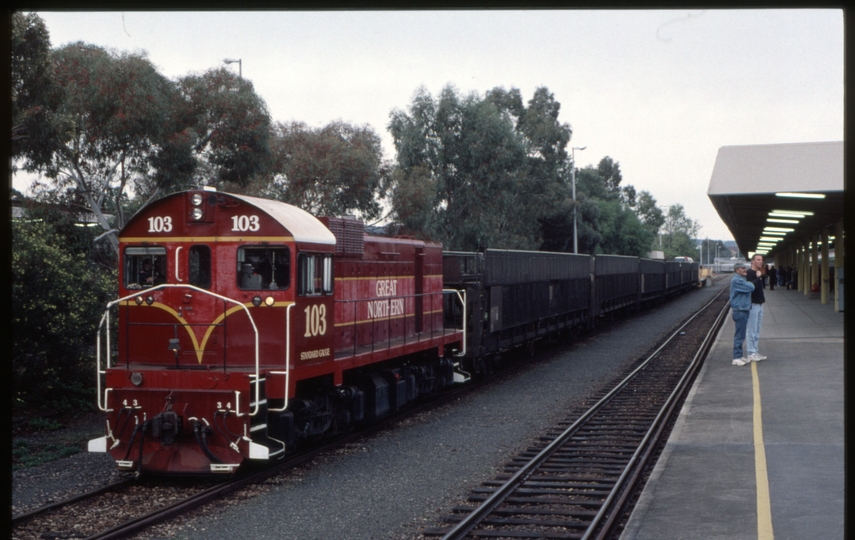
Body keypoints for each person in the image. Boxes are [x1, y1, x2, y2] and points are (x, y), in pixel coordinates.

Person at [730, 261, 756, 366]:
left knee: (741, 334)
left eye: (745, 268)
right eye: (742, 268)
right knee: (739, 335)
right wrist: (750, 283)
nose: (745, 270)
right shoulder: (737, 280)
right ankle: (736, 357)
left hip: (743, 309)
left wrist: (748, 283)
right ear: (737, 270)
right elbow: (751, 287)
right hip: (740, 310)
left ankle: (739, 356)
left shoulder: (742, 279)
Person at [746, 254, 766, 362]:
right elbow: (749, 287)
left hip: (760, 304)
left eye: (761, 260)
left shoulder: (758, 273)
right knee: (751, 330)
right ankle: (750, 352)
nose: (760, 262)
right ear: (752, 261)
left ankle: (755, 351)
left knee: (757, 330)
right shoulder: (749, 273)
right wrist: (757, 278)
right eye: (758, 260)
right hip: (752, 304)